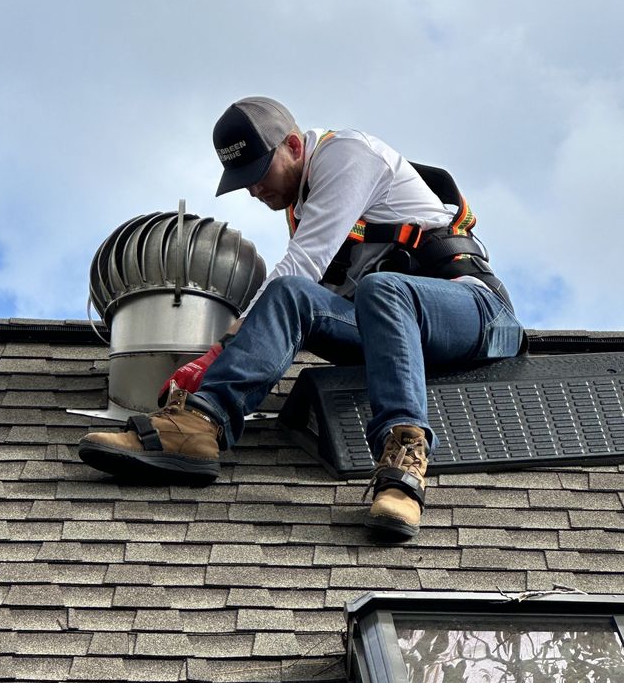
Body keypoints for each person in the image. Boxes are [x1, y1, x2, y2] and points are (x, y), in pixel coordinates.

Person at [79, 96, 524, 542]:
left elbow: (303, 262)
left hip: (476, 312)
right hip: (392, 329)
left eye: (258, 173)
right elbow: (296, 289)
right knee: (293, 296)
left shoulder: (348, 155)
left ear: (293, 145)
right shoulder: (305, 203)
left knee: (375, 286)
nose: (254, 190)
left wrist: (216, 353)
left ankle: (402, 467)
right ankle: (200, 425)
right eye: (243, 181)